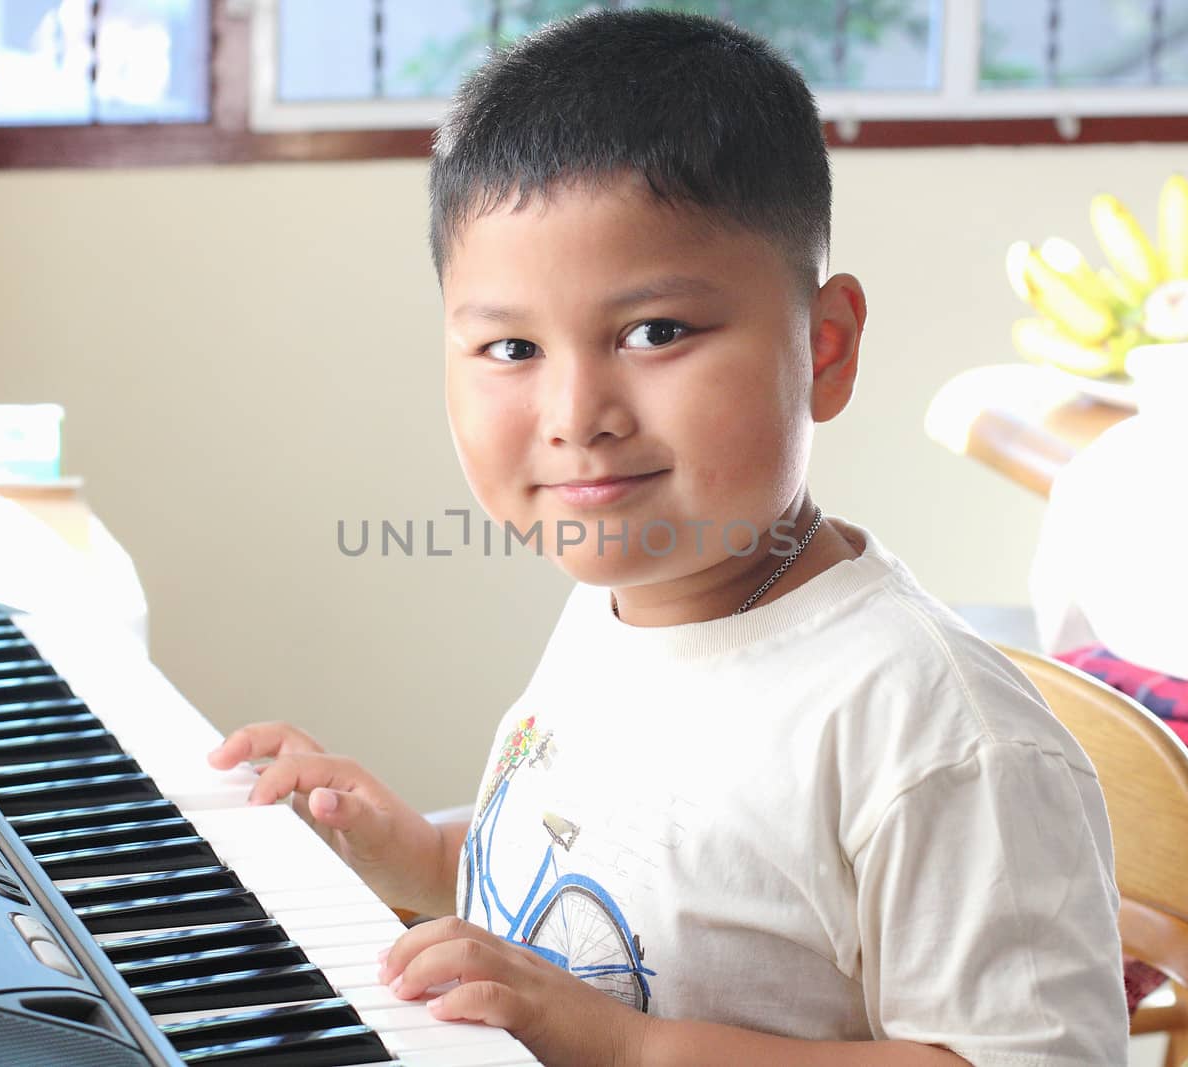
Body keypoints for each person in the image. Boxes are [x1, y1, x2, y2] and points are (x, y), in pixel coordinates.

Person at [208, 10, 1128, 1065]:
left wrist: (629, 1048)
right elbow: (629, 881)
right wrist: (421, 858)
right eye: (510, 345)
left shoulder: (931, 733)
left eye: (654, 333)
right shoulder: (620, 599)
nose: (574, 413)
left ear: (822, 349)